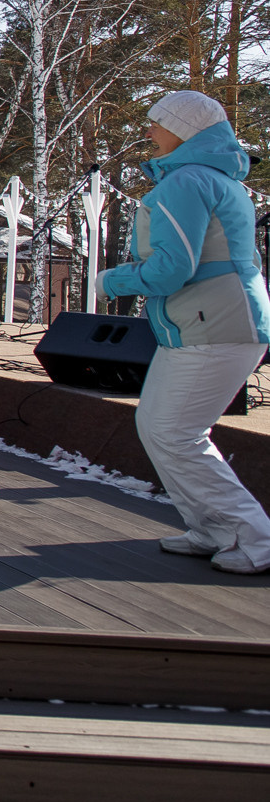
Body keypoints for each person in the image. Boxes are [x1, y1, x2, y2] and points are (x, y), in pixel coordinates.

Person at [100, 90, 270, 575]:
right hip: (214, 321)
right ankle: (214, 529)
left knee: (174, 433)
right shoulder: (211, 178)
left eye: (157, 122)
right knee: (162, 428)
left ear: (185, 129)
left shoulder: (187, 181)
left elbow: (173, 269)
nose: (149, 131)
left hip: (213, 322)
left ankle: (253, 538)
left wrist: (112, 280)